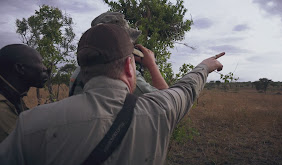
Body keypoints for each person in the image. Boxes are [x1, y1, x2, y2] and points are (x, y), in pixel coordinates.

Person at [0, 24, 224, 165]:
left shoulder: (30, 124)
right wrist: (204, 66)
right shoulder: (159, 110)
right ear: (129, 66)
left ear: (82, 69)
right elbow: (185, 89)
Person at [69, 12, 168, 96]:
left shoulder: (81, 71)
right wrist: (152, 65)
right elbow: (166, 103)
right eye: (128, 43)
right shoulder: (122, 72)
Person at [0, 44, 48, 142]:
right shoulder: (2, 109)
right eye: (40, 63)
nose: (45, 68)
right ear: (20, 68)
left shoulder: (13, 95)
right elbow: (27, 145)